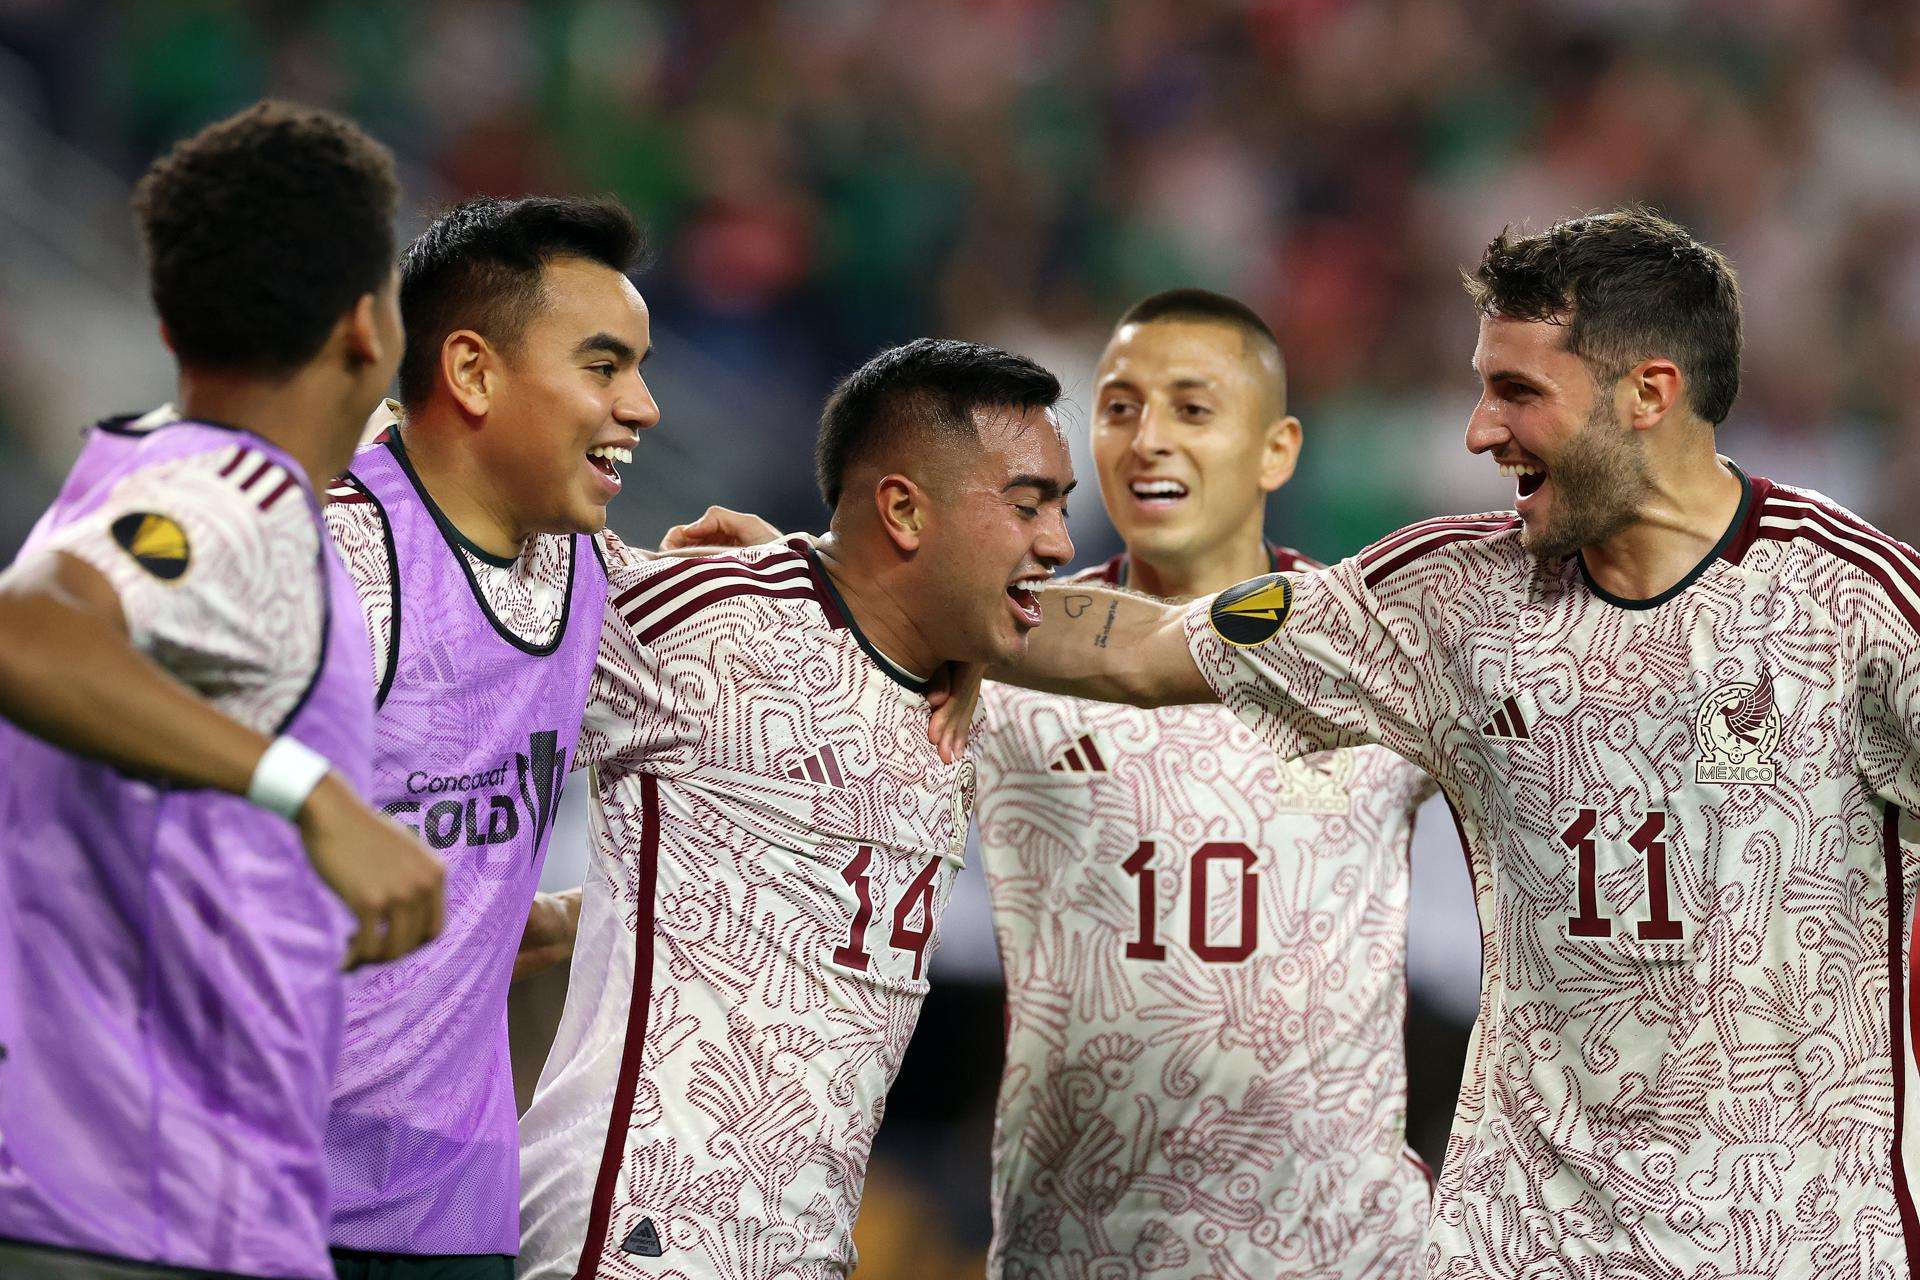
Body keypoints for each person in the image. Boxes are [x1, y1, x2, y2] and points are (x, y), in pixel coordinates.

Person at [963, 208, 1920, 1276]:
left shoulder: (1851, 607)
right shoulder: (1444, 602)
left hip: (1793, 1244)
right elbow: (1140, 647)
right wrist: (868, 577)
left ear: (1650, 394)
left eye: (1518, 391)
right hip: (1516, 1243)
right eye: (1482, 384)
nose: (1477, 429)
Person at [517, 338, 1075, 1279]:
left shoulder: (957, 678)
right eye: (1027, 506)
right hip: (644, 1226)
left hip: (806, 1241)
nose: (1059, 542)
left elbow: (1134, 643)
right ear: (901, 507)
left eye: (1059, 507)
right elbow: (490, 581)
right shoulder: (712, 621)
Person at [0, 102, 444, 1280]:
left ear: (167, 319)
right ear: (367, 326)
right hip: (153, 1216)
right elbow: (21, 632)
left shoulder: (137, 471)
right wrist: (315, 795)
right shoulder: (230, 499)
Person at [970, 289, 1436, 1278]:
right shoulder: (990, 650)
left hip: (1340, 1257)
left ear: (1277, 449)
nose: (1148, 440)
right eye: (1120, 407)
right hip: (1078, 1249)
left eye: (1191, 408)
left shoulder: (1380, 649)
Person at [320, 195, 652, 1280]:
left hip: (456, 1215)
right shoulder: (330, 564)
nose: (642, 405)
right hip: (261, 1188)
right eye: (605, 367)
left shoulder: (584, 574)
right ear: (470, 373)